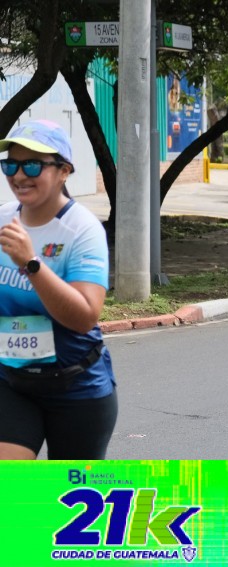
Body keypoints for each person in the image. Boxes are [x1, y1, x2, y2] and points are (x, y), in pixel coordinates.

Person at [0, 120, 117, 459]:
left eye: (32, 165)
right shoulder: (3, 219)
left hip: (76, 387)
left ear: (64, 171)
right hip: (12, 381)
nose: (19, 176)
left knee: (68, 489)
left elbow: (84, 317)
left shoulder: (82, 230)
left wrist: (31, 263)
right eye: (11, 164)